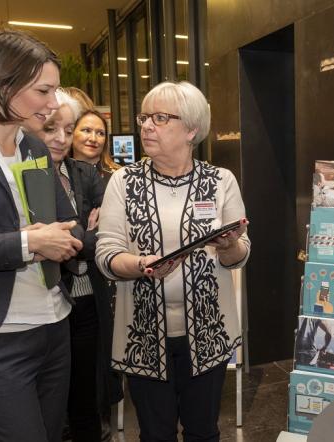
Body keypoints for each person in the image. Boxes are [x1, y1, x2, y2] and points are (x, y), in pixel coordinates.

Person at [95, 81, 250, 442]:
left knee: (203, 431)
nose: (147, 125)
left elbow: (241, 253)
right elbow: (106, 253)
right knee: (155, 434)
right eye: (145, 117)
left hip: (209, 332)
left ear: (191, 130)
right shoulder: (123, 181)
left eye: (161, 118)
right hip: (143, 335)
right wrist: (139, 265)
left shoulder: (220, 181)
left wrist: (228, 246)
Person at [0, 29, 83, 442]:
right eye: (43, 90)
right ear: (3, 83)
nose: (52, 103)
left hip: (54, 329)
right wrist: (27, 244)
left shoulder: (35, 149)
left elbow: (66, 226)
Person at [34, 89, 116, 442]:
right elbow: (53, 240)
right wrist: (86, 231)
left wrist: (77, 237)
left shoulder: (83, 172)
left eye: (68, 130)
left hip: (88, 302)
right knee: (51, 405)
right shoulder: (30, 175)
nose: (61, 139)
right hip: (49, 301)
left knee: (87, 398)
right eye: (52, 129)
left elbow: (108, 234)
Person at [71, 109, 120, 182]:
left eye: (100, 133)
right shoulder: (59, 174)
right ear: (71, 133)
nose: (93, 139)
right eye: (86, 130)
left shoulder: (118, 177)